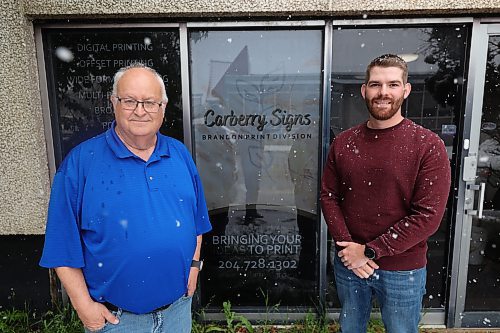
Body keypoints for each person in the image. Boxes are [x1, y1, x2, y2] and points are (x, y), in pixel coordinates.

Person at [40, 63, 212, 333]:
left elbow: (197, 222)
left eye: (149, 102)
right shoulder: (82, 163)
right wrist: (84, 307)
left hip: (178, 312)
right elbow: (61, 245)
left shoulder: (179, 154)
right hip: (117, 321)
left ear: (163, 108)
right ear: (114, 103)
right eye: (130, 101)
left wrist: (194, 266)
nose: (140, 111)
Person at [320, 54, 451, 333]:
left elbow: (427, 216)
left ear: (406, 90)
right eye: (376, 84)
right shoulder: (344, 142)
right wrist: (348, 249)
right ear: (364, 90)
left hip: (403, 269)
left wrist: (369, 251)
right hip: (350, 265)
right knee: (350, 328)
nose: (383, 93)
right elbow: (328, 196)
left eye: (393, 84)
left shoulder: (427, 145)